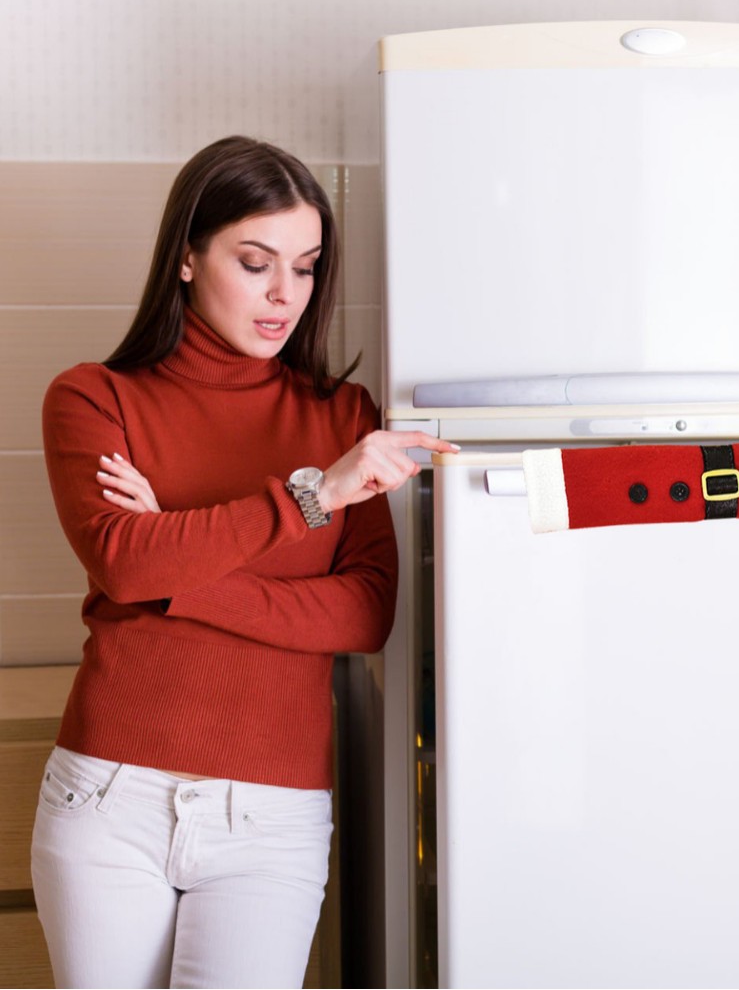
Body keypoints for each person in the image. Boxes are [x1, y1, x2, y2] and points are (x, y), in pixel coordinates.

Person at [31, 135, 455, 989]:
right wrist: (311, 499)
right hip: (109, 796)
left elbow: (365, 613)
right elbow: (122, 561)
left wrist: (176, 568)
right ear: (187, 256)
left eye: (304, 267)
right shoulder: (92, 397)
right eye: (255, 261)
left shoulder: (344, 415)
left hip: (273, 812)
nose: (282, 294)